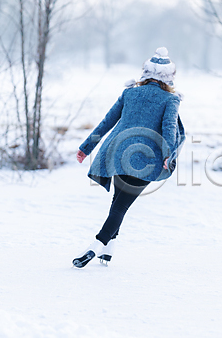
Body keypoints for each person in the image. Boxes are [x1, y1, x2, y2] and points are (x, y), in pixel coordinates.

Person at [73, 47, 185, 268]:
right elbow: (169, 128)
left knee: (118, 203)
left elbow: (107, 122)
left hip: (117, 154)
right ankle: (95, 247)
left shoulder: (129, 93)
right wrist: (168, 154)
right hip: (145, 158)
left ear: (145, 73)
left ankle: (108, 251)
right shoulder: (170, 100)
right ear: (169, 77)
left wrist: (86, 147)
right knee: (121, 206)